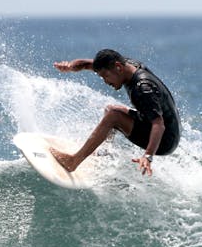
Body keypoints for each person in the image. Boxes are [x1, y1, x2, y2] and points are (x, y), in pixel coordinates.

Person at [51, 49, 180, 176]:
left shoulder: (143, 88)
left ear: (118, 67)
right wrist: (70, 66)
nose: (106, 82)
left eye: (106, 76)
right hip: (154, 125)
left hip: (164, 141)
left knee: (114, 116)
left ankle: (73, 162)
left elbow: (159, 124)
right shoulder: (126, 65)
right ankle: (104, 152)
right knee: (110, 110)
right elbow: (88, 64)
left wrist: (148, 156)